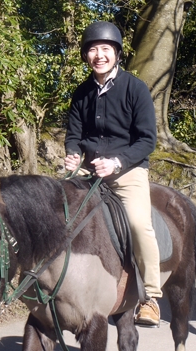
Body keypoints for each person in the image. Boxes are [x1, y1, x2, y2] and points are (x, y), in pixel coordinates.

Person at [63, 21, 162, 326]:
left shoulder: (135, 88)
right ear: (86, 55)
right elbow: (74, 134)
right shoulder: (81, 94)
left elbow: (148, 140)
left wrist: (117, 162)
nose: (99, 54)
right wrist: (74, 153)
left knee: (138, 224)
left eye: (105, 48)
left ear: (117, 53)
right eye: (93, 49)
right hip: (90, 174)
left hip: (127, 173)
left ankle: (150, 297)